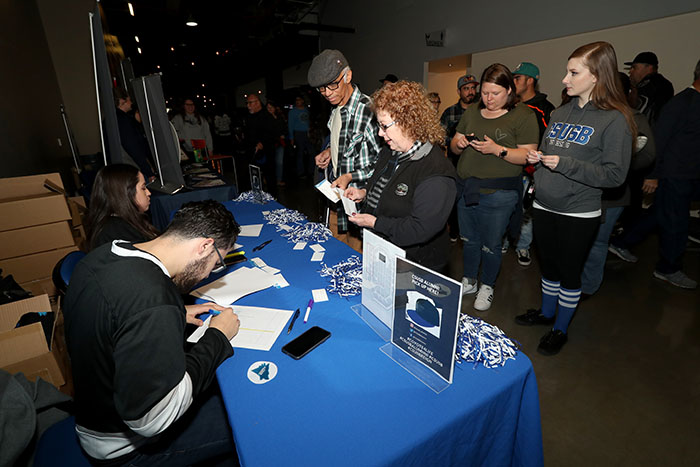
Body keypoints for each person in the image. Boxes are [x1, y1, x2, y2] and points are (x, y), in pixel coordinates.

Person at [64, 200, 241, 465]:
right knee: (245, 416)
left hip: (92, 416)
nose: (207, 275)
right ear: (204, 246)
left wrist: (178, 315)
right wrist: (217, 337)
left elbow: (114, 316)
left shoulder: (104, 254)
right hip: (126, 450)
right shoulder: (156, 301)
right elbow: (153, 420)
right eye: (216, 263)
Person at [516, 41, 635, 356]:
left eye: (573, 72)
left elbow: (614, 176)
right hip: (544, 204)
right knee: (549, 268)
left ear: (596, 76)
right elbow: (552, 154)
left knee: (569, 273)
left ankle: (560, 329)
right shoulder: (561, 111)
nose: (565, 80)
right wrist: (538, 163)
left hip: (577, 212)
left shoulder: (615, 119)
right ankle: (546, 313)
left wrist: (564, 164)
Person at [450, 64, 539, 311]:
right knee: (469, 240)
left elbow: (528, 155)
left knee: (491, 243)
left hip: (499, 193)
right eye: (485, 93)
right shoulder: (472, 113)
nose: (488, 99)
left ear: (509, 90)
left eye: (495, 94)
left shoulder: (523, 115)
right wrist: (460, 143)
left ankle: (487, 285)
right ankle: (469, 280)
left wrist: (497, 150)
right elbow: (454, 145)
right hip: (467, 189)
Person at [345, 81, 457, 272]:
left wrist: (374, 223)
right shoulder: (391, 151)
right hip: (384, 250)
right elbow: (387, 187)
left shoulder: (436, 173)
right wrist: (364, 192)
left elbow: (419, 229)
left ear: (409, 122)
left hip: (416, 265)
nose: (380, 133)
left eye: (384, 126)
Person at [580, 73, 656, 296]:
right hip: (584, 191)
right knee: (580, 240)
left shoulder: (633, 117)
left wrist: (621, 163)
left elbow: (649, 154)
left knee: (597, 240)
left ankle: (588, 286)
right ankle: (573, 282)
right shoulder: (588, 114)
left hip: (612, 194)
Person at [307, 49, 382, 251]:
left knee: (359, 266)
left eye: (332, 85)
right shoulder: (336, 108)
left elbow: (384, 165)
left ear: (348, 76)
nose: (327, 93)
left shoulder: (370, 111)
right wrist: (329, 151)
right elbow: (342, 142)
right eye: (321, 89)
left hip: (361, 207)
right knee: (334, 257)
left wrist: (350, 175)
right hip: (337, 204)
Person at [646, 58, 700, 289]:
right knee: (674, 223)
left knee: (667, 218)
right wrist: (653, 175)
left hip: (691, 174)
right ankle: (668, 268)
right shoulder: (681, 103)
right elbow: (659, 140)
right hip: (674, 175)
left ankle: (623, 242)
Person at [505, 62, 557, 266]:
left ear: (530, 80)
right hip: (510, 164)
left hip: (532, 170)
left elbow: (549, 141)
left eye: (517, 78)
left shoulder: (545, 108)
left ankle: (523, 246)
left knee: (527, 210)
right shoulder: (511, 105)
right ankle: (504, 239)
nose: (514, 82)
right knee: (508, 204)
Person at [441, 74, 480, 242]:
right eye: (466, 89)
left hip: (477, 162)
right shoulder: (450, 112)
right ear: (459, 91)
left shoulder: (482, 112)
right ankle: (454, 230)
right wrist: (456, 142)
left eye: (472, 88)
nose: (470, 92)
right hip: (454, 162)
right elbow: (439, 136)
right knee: (454, 197)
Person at [85, 164, 159, 251]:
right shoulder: (119, 232)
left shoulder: (120, 222)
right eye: (143, 188)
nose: (148, 193)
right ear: (126, 193)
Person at [113, 88, 155, 179]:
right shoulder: (122, 120)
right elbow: (133, 147)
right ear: (122, 101)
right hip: (132, 170)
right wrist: (148, 171)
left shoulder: (113, 118)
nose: (131, 103)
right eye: (129, 100)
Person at [625, 51, 674, 127]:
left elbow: (640, 112)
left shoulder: (648, 86)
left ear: (649, 68)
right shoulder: (665, 84)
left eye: (634, 67)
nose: (630, 71)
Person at [244, 94, 277, 192]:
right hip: (253, 152)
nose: (248, 105)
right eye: (247, 103)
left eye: (250, 103)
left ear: (257, 102)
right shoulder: (249, 117)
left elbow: (273, 133)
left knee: (269, 175)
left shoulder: (266, 116)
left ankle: (273, 196)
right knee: (254, 176)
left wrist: (263, 143)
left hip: (266, 152)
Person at [288, 95, 314, 178]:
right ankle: (301, 172)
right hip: (298, 133)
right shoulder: (292, 112)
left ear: (303, 100)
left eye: (299, 99)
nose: (297, 101)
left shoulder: (306, 110)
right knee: (300, 154)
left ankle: (311, 171)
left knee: (312, 152)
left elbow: (308, 121)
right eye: (296, 100)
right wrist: (291, 137)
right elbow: (290, 125)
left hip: (307, 133)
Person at [266, 99, 288, 186]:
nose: (270, 109)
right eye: (268, 108)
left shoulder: (279, 117)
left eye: (271, 107)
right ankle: (269, 180)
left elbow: (284, 129)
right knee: (270, 163)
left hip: (279, 143)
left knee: (279, 162)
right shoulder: (266, 119)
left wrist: (283, 135)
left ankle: (278, 180)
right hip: (269, 144)